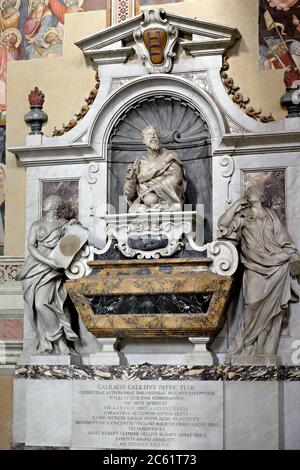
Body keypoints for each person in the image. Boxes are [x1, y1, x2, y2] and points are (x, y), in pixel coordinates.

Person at [218, 184, 300, 361]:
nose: (249, 193)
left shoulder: (271, 216)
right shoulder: (243, 215)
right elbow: (223, 225)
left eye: (253, 191)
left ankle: (261, 350)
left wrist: (292, 256)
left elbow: (284, 240)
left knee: (271, 310)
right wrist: (236, 205)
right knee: (252, 305)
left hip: (276, 266)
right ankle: (245, 346)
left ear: (261, 196)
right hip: (254, 266)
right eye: (247, 192)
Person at [16, 195, 80, 354]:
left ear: (55, 206)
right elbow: (31, 247)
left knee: (42, 303)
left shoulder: (62, 224)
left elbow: (75, 238)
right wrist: (46, 260)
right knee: (37, 305)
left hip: (51, 270)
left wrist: (75, 224)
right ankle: (53, 341)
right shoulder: (37, 224)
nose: (45, 202)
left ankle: (60, 340)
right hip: (34, 268)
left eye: (49, 201)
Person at [124, 125, 186, 213]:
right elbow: (129, 194)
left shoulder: (169, 156)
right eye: (149, 135)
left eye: (155, 135)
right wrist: (131, 178)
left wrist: (153, 189)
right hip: (144, 200)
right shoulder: (139, 162)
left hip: (166, 198)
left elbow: (175, 178)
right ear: (143, 141)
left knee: (151, 199)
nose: (153, 137)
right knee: (147, 201)